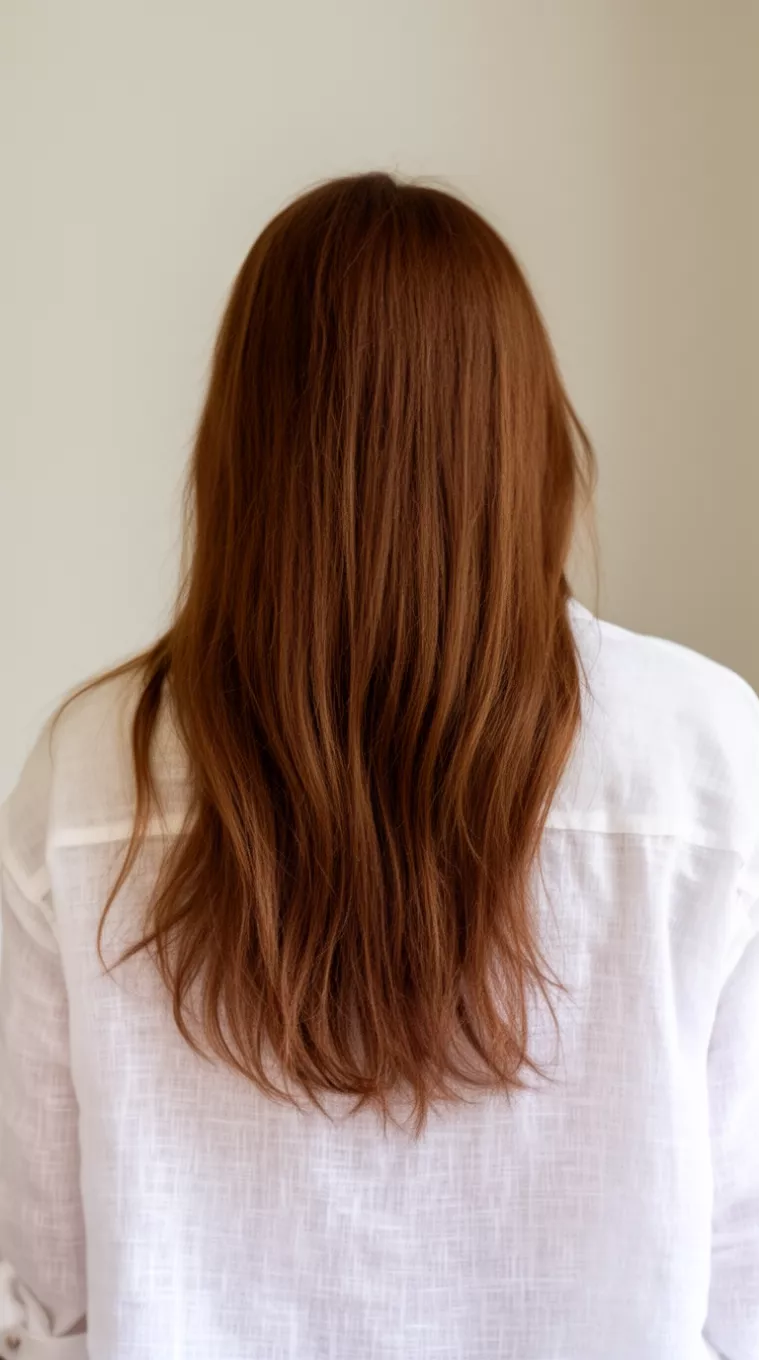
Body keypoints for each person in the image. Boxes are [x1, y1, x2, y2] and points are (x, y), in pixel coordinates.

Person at [0, 172, 756, 1360]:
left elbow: (53, 1299)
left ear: (242, 445)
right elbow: (742, 1277)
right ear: (524, 438)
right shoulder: (706, 755)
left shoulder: (95, 771)